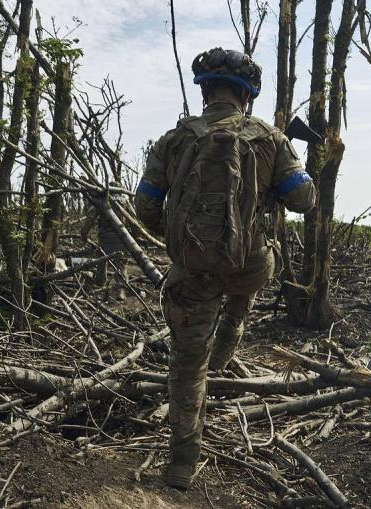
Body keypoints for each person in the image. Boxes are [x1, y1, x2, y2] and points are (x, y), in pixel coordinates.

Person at [135, 47, 316, 490]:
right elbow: (303, 200)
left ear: (205, 92)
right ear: (247, 96)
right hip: (250, 266)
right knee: (246, 281)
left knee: (186, 366)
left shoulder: (174, 140)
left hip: (193, 271)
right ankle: (229, 337)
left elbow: (144, 206)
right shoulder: (271, 139)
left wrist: (180, 241)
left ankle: (181, 465)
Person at [80, 181, 130, 301]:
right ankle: (120, 290)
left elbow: (91, 217)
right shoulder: (125, 201)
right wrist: (136, 236)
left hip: (105, 237)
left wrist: (84, 233)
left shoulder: (102, 199)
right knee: (121, 264)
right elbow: (132, 218)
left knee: (102, 261)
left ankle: (100, 281)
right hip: (122, 237)